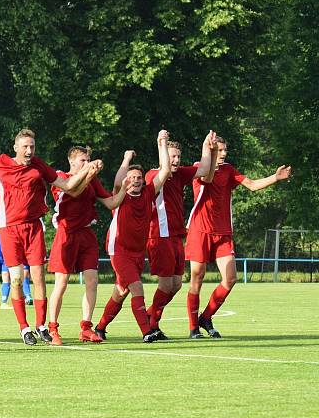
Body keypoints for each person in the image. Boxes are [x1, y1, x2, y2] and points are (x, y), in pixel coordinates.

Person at [0, 129, 98, 346]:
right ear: (15, 148)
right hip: (9, 228)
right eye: (25, 146)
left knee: (38, 277)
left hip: (34, 227)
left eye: (32, 146)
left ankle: (41, 325)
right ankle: (24, 328)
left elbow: (67, 185)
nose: (29, 150)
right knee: (16, 279)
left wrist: (87, 170)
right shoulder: (0, 163)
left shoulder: (39, 165)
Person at [185, 136, 291, 338]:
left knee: (231, 278)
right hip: (199, 231)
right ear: (211, 149)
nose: (224, 154)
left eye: (225, 150)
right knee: (197, 278)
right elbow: (206, 179)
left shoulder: (228, 170)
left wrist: (275, 177)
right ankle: (192, 329)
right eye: (220, 150)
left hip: (223, 232)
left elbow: (251, 185)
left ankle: (206, 317)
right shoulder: (200, 167)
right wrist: (210, 151)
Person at [94, 131, 171, 342]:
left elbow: (165, 170)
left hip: (138, 252)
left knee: (121, 291)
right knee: (137, 287)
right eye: (132, 178)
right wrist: (126, 159)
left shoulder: (147, 193)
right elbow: (119, 179)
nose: (136, 181)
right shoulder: (121, 196)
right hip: (118, 249)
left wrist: (161, 142)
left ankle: (99, 328)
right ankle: (147, 331)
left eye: (139, 178)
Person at [46, 146, 127, 345]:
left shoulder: (92, 179)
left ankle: (86, 327)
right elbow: (73, 191)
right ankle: (53, 328)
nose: (86, 163)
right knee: (62, 283)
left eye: (88, 159)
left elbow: (110, 203)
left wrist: (126, 187)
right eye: (82, 160)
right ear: (72, 162)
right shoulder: (60, 177)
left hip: (86, 234)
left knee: (92, 281)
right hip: (66, 234)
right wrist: (89, 172)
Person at [143, 133, 216, 338]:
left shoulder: (180, 174)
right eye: (171, 156)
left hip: (175, 237)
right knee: (166, 284)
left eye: (177, 156)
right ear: (163, 156)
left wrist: (206, 146)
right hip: (159, 236)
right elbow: (158, 181)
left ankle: (151, 316)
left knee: (175, 285)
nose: (175, 160)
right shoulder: (153, 175)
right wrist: (161, 143)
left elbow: (203, 169)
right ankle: (151, 323)